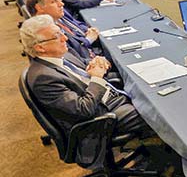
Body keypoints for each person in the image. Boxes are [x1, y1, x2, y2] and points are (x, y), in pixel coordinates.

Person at [20, 15, 151, 137]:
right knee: (156, 112)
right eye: (56, 36)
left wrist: (100, 62)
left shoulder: (60, 54)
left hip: (110, 97)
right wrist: (97, 78)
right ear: (40, 48)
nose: (65, 38)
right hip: (102, 118)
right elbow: (84, 109)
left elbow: (86, 64)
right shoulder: (43, 78)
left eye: (61, 32)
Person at [26, 0, 101, 62]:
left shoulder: (57, 18)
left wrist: (88, 31)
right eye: (54, 1)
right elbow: (75, 59)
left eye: (59, 0)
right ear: (39, 8)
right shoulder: (48, 32)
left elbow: (77, 26)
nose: (61, 4)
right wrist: (88, 40)